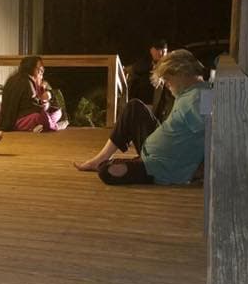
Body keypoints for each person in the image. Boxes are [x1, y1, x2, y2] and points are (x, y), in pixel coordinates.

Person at [74, 48, 207, 186]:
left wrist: (201, 170)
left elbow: (211, 135)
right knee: (134, 107)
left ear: (181, 73)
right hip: (155, 153)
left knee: (106, 172)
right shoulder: (194, 92)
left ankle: (134, 165)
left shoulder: (199, 98)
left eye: (168, 79)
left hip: (161, 167)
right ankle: (105, 159)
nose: (167, 85)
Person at [0, 56, 67, 132]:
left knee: (56, 112)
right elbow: (33, 107)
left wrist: (43, 91)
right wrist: (45, 102)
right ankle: (55, 126)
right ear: (31, 68)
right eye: (40, 70)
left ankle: (39, 127)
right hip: (17, 121)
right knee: (42, 116)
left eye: (42, 71)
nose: (41, 73)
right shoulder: (27, 82)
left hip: (11, 120)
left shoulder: (15, 78)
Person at [125, 38, 173, 121]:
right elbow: (131, 70)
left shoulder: (170, 68)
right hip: (140, 106)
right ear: (152, 51)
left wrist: (161, 76)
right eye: (158, 50)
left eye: (163, 51)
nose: (161, 53)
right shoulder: (143, 65)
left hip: (159, 112)